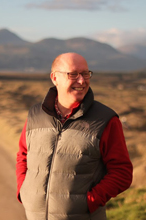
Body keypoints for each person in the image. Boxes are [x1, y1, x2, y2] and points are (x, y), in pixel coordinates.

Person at [16, 52, 133, 220]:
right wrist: (23, 191)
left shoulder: (105, 119)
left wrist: (89, 201)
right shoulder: (36, 114)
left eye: (86, 73)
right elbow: (23, 155)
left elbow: (122, 172)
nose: (82, 80)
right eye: (73, 74)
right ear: (54, 78)